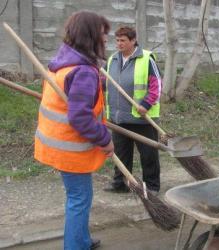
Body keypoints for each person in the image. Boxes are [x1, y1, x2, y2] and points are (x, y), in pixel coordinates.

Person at [34, 11, 114, 250]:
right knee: (79, 199)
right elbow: (80, 117)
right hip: (70, 149)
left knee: (80, 197)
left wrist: (99, 84)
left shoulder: (65, 62)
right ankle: (76, 246)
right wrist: (105, 139)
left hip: (56, 143)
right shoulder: (83, 72)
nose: (107, 40)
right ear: (91, 36)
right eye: (103, 34)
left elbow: (76, 96)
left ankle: (81, 239)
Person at [103, 26, 162, 195]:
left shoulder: (146, 59)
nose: (119, 44)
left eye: (123, 40)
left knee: (148, 155)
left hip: (141, 118)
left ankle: (151, 187)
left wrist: (146, 104)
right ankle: (120, 184)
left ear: (133, 40)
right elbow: (105, 82)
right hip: (118, 117)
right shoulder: (113, 59)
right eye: (117, 40)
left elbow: (156, 85)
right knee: (121, 154)